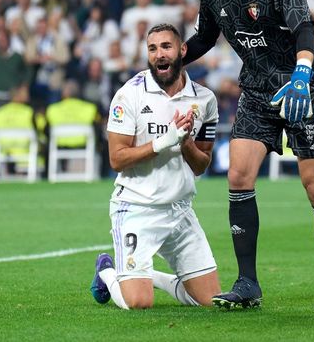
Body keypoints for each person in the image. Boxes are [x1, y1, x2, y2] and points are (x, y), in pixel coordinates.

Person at [183, 0, 314, 309]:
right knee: (237, 175)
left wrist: (303, 74)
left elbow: (304, 27)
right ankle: (248, 284)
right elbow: (204, 37)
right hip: (256, 89)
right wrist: (173, 57)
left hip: (301, 88)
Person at [91, 23, 220, 309]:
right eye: (152, 48)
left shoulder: (205, 100)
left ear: (182, 50)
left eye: (166, 47)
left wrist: (185, 144)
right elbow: (116, 159)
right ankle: (107, 271)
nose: (159, 54)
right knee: (138, 302)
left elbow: (201, 165)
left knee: (210, 302)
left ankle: (149, 276)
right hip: (138, 208)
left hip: (179, 210)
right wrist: (163, 142)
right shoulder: (129, 95)